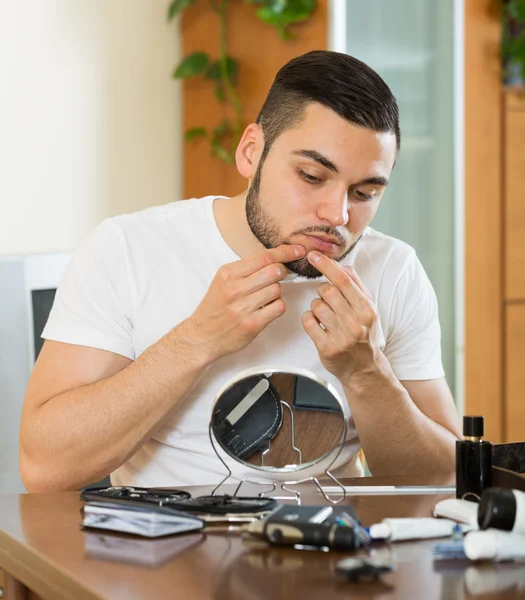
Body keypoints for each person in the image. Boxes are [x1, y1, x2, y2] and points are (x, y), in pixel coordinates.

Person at [19, 51, 461, 492]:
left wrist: (367, 373)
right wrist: (197, 339)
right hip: (164, 553)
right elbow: (44, 467)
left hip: (335, 550)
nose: (337, 215)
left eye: (364, 192)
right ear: (251, 152)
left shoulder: (392, 270)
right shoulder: (127, 249)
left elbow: (445, 480)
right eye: (311, 176)